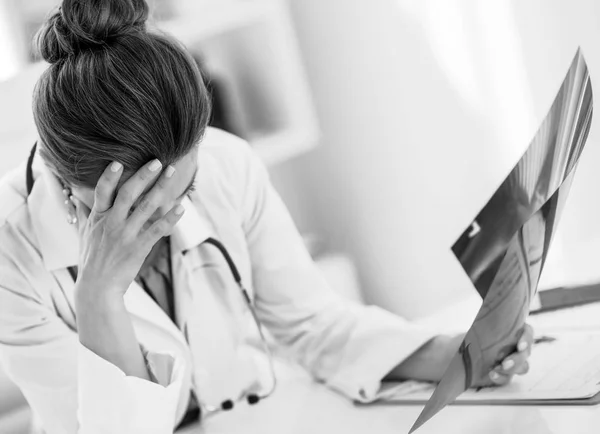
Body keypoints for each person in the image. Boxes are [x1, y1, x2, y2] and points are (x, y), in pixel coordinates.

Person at [0, 1, 533, 433]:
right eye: (135, 209)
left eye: (184, 186)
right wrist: (98, 295)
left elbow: (312, 326)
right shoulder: (10, 249)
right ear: (55, 170)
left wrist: (455, 353)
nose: (169, 219)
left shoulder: (228, 164)